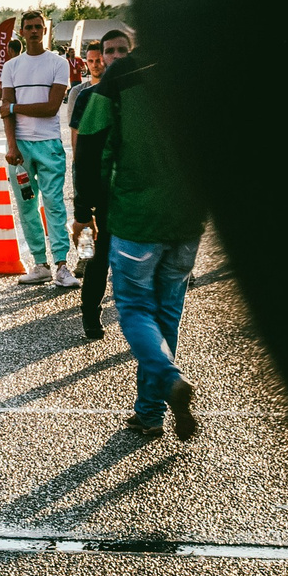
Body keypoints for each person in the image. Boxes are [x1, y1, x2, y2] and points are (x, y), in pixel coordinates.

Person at [70, 41, 205, 442]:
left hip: (133, 215)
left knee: (134, 309)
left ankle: (169, 379)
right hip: (186, 218)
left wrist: (84, 210)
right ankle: (149, 412)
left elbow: (90, 146)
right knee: (169, 313)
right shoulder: (194, 70)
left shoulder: (121, 76)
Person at [0, 10, 74, 286]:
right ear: (22, 31)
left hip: (49, 145)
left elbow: (51, 107)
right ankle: (40, 264)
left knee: (54, 204)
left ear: (45, 30)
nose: (33, 31)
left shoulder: (58, 63)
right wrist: (11, 145)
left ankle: (62, 265)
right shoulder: (12, 67)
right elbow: (5, 112)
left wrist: (16, 107)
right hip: (21, 149)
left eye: (37, 27)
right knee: (27, 206)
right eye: (28, 27)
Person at [67, 28, 132, 339]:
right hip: (103, 195)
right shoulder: (88, 98)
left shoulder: (142, 97)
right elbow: (82, 156)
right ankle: (90, 314)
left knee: (135, 264)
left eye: (122, 50)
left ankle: (140, 321)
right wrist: (83, 207)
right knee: (97, 259)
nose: (116, 57)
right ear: (102, 57)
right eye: (111, 52)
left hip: (134, 195)